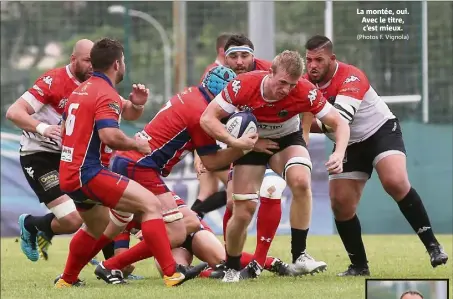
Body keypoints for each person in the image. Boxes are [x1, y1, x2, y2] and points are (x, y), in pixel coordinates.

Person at [92, 65, 274, 282]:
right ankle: (110, 266)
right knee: (178, 229)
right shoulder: (201, 114)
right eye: (229, 97)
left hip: (133, 162)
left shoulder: (192, 95)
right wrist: (244, 147)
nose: (230, 104)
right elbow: (212, 162)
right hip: (140, 166)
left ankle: (90, 269)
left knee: (187, 223)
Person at [200, 50, 351, 282]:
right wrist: (237, 143)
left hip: (286, 139)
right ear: (269, 73)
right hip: (249, 143)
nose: (286, 90)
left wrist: (340, 152)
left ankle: (299, 255)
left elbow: (339, 122)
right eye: (282, 82)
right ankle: (231, 268)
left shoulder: (305, 91)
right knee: (243, 210)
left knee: (301, 182)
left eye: (292, 85)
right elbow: (207, 118)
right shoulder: (243, 85)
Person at [304, 35, 448, 276]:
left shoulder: (352, 76)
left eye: (319, 59)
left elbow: (338, 122)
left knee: (394, 181)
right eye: (308, 60)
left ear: (332, 59)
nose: (312, 65)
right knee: (340, 204)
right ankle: (359, 266)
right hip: (349, 142)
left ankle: (433, 246)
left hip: (379, 131)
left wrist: (304, 124)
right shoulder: (304, 82)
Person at [54, 38, 190, 288]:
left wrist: (137, 104)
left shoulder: (81, 90)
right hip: (88, 172)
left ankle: (67, 279)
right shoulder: (105, 93)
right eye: (124, 61)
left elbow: (121, 112)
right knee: (150, 204)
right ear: (117, 64)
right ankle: (172, 273)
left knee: (96, 227)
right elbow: (110, 136)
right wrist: (136, 145)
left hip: (70, 173)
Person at [6, 39, 95, 262]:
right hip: (38, 156)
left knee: (100, 213)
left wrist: (137, 105)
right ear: (73, 59)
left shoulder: (96, 84)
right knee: (73, 220)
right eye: (86, 60)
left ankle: (114, 268)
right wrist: (44, 128)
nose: (92, 66)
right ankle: (30, 225)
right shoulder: (52, 80)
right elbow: (13, 112)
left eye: (95, 61)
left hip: (70, 158)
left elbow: (125, 111)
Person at [191, 33, 233, 219]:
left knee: (208, 192)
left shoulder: (222, 73)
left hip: (211, 142)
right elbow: (202, 115)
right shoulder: (215, 75)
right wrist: (199, 153)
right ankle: (187, 225)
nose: (237, 59)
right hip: (212, 144)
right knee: (236, 189)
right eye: (233, 53)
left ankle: (188, 225)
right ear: (223, 51)